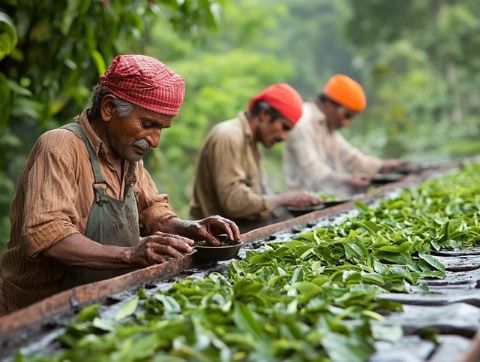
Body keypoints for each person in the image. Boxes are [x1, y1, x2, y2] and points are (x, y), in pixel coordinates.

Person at [0, 55, 240, 315]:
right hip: (38, 315)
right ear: (108, 108)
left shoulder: (127, 154)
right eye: (148, 124)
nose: (155, 141)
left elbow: (152, 211)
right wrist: (129, 254)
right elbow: (48, 235)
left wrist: (192, 228)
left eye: (162, 128)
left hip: (100, 306)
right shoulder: (60, 146)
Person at [189, 83, 320, 232]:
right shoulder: (229, 136)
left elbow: (258, 195)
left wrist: (292, 199)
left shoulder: (252, 142)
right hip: (217, 241)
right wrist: (284, 198)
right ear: (264, 114)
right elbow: (233, 202)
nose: (284, 137)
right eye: (284, 127)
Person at [283, 74, 401, 198]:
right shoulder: (302, 122)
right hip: (301, 203)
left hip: (325, 198)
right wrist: (348, 180)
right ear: (329, 104)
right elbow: (313, 170)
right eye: (346, 116)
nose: (346, 123)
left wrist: (384, 166)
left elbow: (352, 158)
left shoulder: (328, 128)